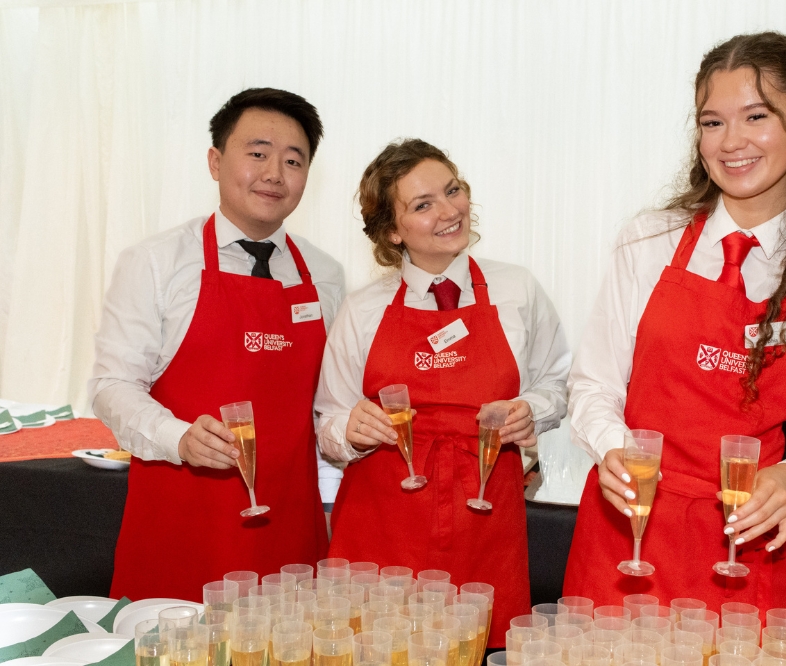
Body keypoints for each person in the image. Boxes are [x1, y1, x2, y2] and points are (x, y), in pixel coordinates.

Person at [562, 32, 786, 611]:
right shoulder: (649, 240)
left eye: (755, 116)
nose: (731, 142)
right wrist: (612, 450)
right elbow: (593, 384)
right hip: (629, 524)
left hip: (752, 535)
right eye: (712, 123)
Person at [89, 88, 345, 602]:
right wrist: (178, 436)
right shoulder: (156, 262)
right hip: (180, 528)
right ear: (214, 161)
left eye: (293, 160)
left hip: (289, 542)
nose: (275, 172)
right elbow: (111, 385)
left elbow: (330, 408)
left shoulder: (326, 276)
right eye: (257, 153)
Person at [315, 139, 570, 645]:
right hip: (384, 527)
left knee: (478, 650)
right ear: (392, 231)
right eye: (423, 204)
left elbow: (556, 384)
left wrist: (532, 412)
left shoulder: (516, 289)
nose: (450, 210)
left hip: (485, 521)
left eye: (453, 190)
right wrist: (350, 428)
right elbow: (327, 423)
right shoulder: (363, 310)